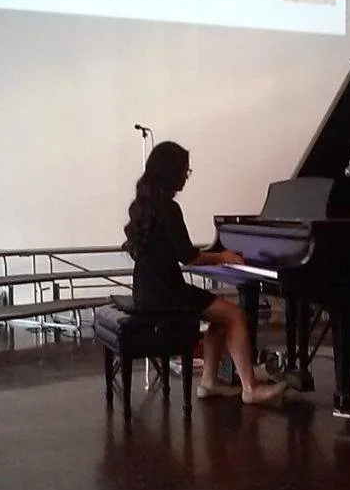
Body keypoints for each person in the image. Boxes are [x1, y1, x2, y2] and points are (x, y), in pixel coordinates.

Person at [123, 141, 287, 405]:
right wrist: (222, 257)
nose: (186, 177)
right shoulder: (168, 208)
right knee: (235, 315)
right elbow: (188, 256)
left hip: (147, 290)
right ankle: (251, 388)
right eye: (185, 171)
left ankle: (209, 382)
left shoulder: (143, 204)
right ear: (171, 171)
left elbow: (178, 254)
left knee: (220, 319)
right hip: (167, 294)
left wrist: (217, 258)